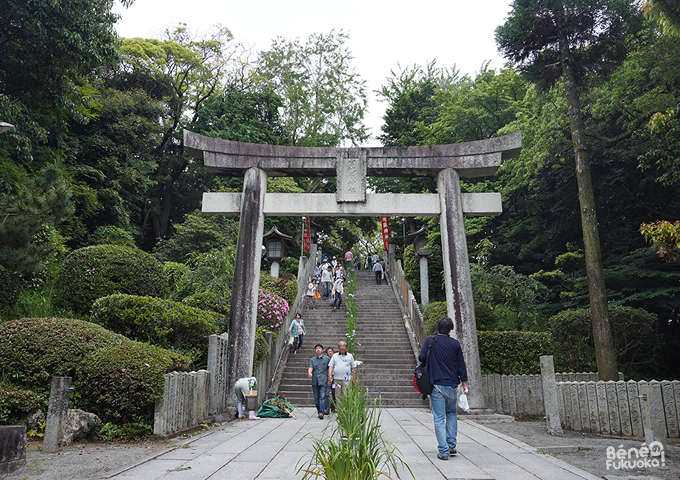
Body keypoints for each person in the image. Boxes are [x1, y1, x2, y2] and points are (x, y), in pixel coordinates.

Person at [418, 317, 468, 460]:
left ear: (437, 328)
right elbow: (461, 365)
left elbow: (421, 357)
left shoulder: (430, 340)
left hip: (437, 384)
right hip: (452, 385)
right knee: (451, 413)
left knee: (439, 418)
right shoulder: (455, 344)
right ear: (450, 329)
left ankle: (444, 451)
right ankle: (451, 445)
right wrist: (464, 383)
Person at [328, 340, 356, 408]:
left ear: (346, 347)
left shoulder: (350, 356)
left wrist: (354, 378)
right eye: (341, 346)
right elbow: (331, 366)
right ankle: (340, 412)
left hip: (346, 379)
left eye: (343, 346)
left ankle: (346, 411)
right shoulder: (334, 356)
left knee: (346, 396)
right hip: (337, 379)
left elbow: (353, 368)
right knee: (338, 397)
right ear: (338, 348)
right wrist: (330, 376)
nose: (342, 348)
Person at [308, 343, 330, 419]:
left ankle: (321, 412)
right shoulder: (313, 359)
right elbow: (311, 367)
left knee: (322, 397)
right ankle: (319, 411)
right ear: (315, 350)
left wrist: (330, 377)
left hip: (323, 380)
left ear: (322, 350)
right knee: (316, 398)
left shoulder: (327, 359)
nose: (318, 349)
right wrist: (309, 372)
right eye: (316, 348)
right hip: (315, 381)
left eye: (319, 348)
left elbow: (329, 368)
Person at [324, 347, 335, 415]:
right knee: (326, 393)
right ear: (326, 353)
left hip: (335, 377)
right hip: (327, 378)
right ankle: (327, 408)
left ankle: (333, 407)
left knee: (335, 394)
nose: (330, 353)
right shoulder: (325, 360)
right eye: (329, 352)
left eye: (331, 351)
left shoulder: (336, 359)